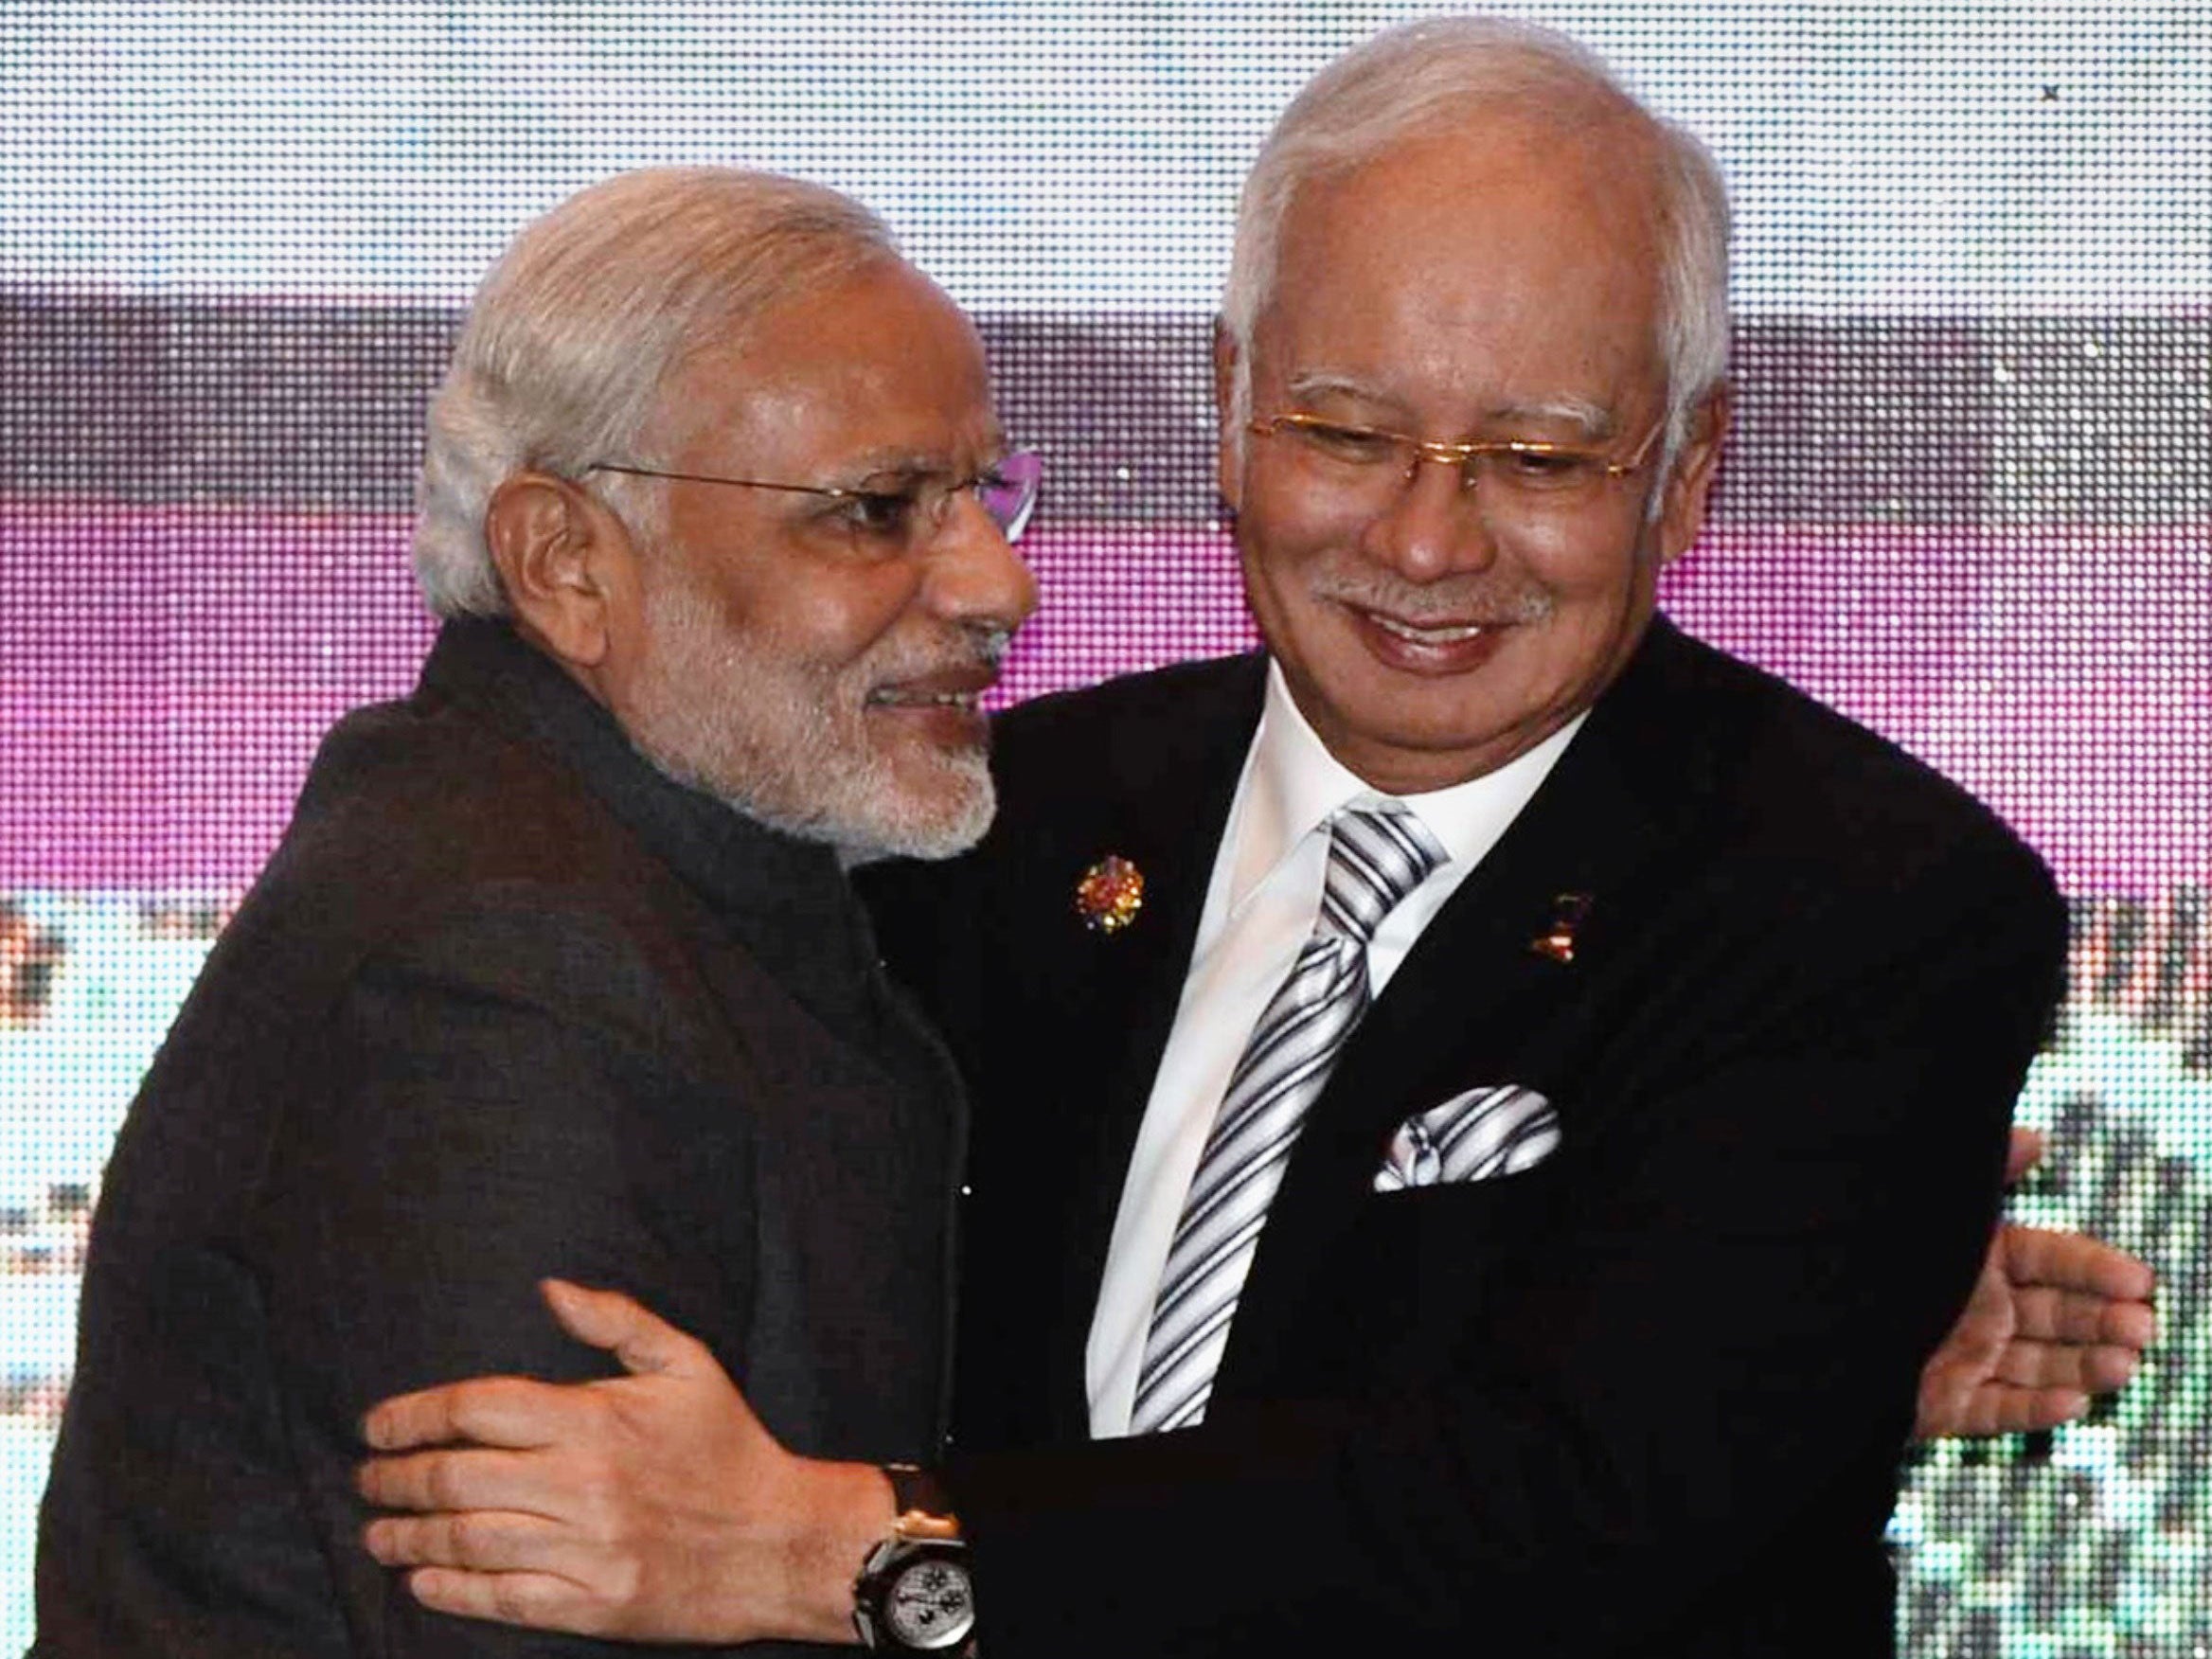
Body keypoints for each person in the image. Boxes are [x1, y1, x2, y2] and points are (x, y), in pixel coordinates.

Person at [355, 20, 2157, 1654]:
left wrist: (841, 1554)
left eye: (1538, 460)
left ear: (1687, 473)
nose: (1429, 542)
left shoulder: (1871, 902)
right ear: (1227, 406)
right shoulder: (977, 829)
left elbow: (1558, 1514)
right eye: (1346, 432)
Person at [32, 166, 1038, 1656]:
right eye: (875, 511)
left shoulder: (605, 865)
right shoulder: (503, 973)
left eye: (986, 494)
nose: (998, 584)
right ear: (567, 563)